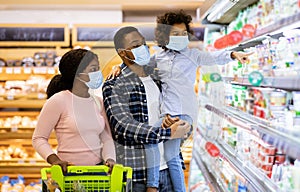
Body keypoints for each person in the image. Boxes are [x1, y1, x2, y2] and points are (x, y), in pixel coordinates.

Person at [107, 10, 252, 192]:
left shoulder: (193, 55)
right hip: (168, 113)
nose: (180, 37)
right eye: (175, 34)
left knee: (164, 149)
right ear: (164, 36)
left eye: (184, 34)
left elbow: (213, 57)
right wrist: (118, 67)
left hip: (184, 112)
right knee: (170, 154)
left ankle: (153, 186)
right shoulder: (158, 58)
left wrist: (233, 55)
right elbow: (135, 63)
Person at [102, 26, 191, 192]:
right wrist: (168, 133)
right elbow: (124, 127)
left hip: (170, 169)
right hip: (139, 176)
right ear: (122, 53)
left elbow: (175, 107)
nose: (143, 48)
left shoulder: (158, 76)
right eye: (136, 46)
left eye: (143, 44)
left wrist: (181, 126)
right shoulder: (114, 85)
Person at [32, 49, 116, 174]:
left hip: (98, 171)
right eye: (93, 69)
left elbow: (107, 138)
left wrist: (110, 158)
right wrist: (54, 160)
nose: (98, 73)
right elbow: (39, 138)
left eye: (98, 68)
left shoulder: (98, 102)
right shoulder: (58, 101)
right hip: (69, 172)